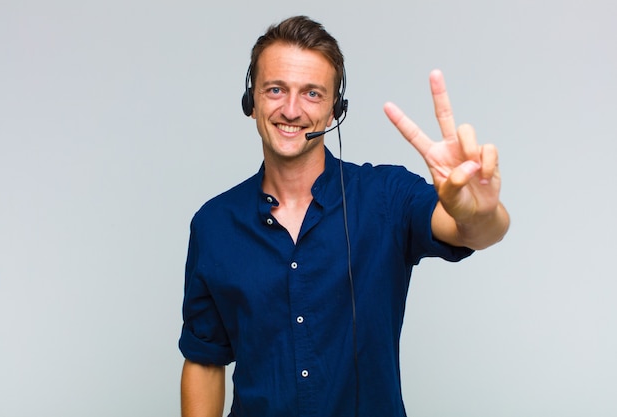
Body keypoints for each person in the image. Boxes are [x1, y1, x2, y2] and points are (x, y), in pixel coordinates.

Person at [179, 15, 509, 417]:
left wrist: (481, 212)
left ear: (336, 109)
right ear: (252, 101)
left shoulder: (386, 196)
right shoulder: (214, 224)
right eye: (276, 89)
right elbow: (204, 359)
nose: (291, 109)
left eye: (312, 93)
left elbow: (469, 231)